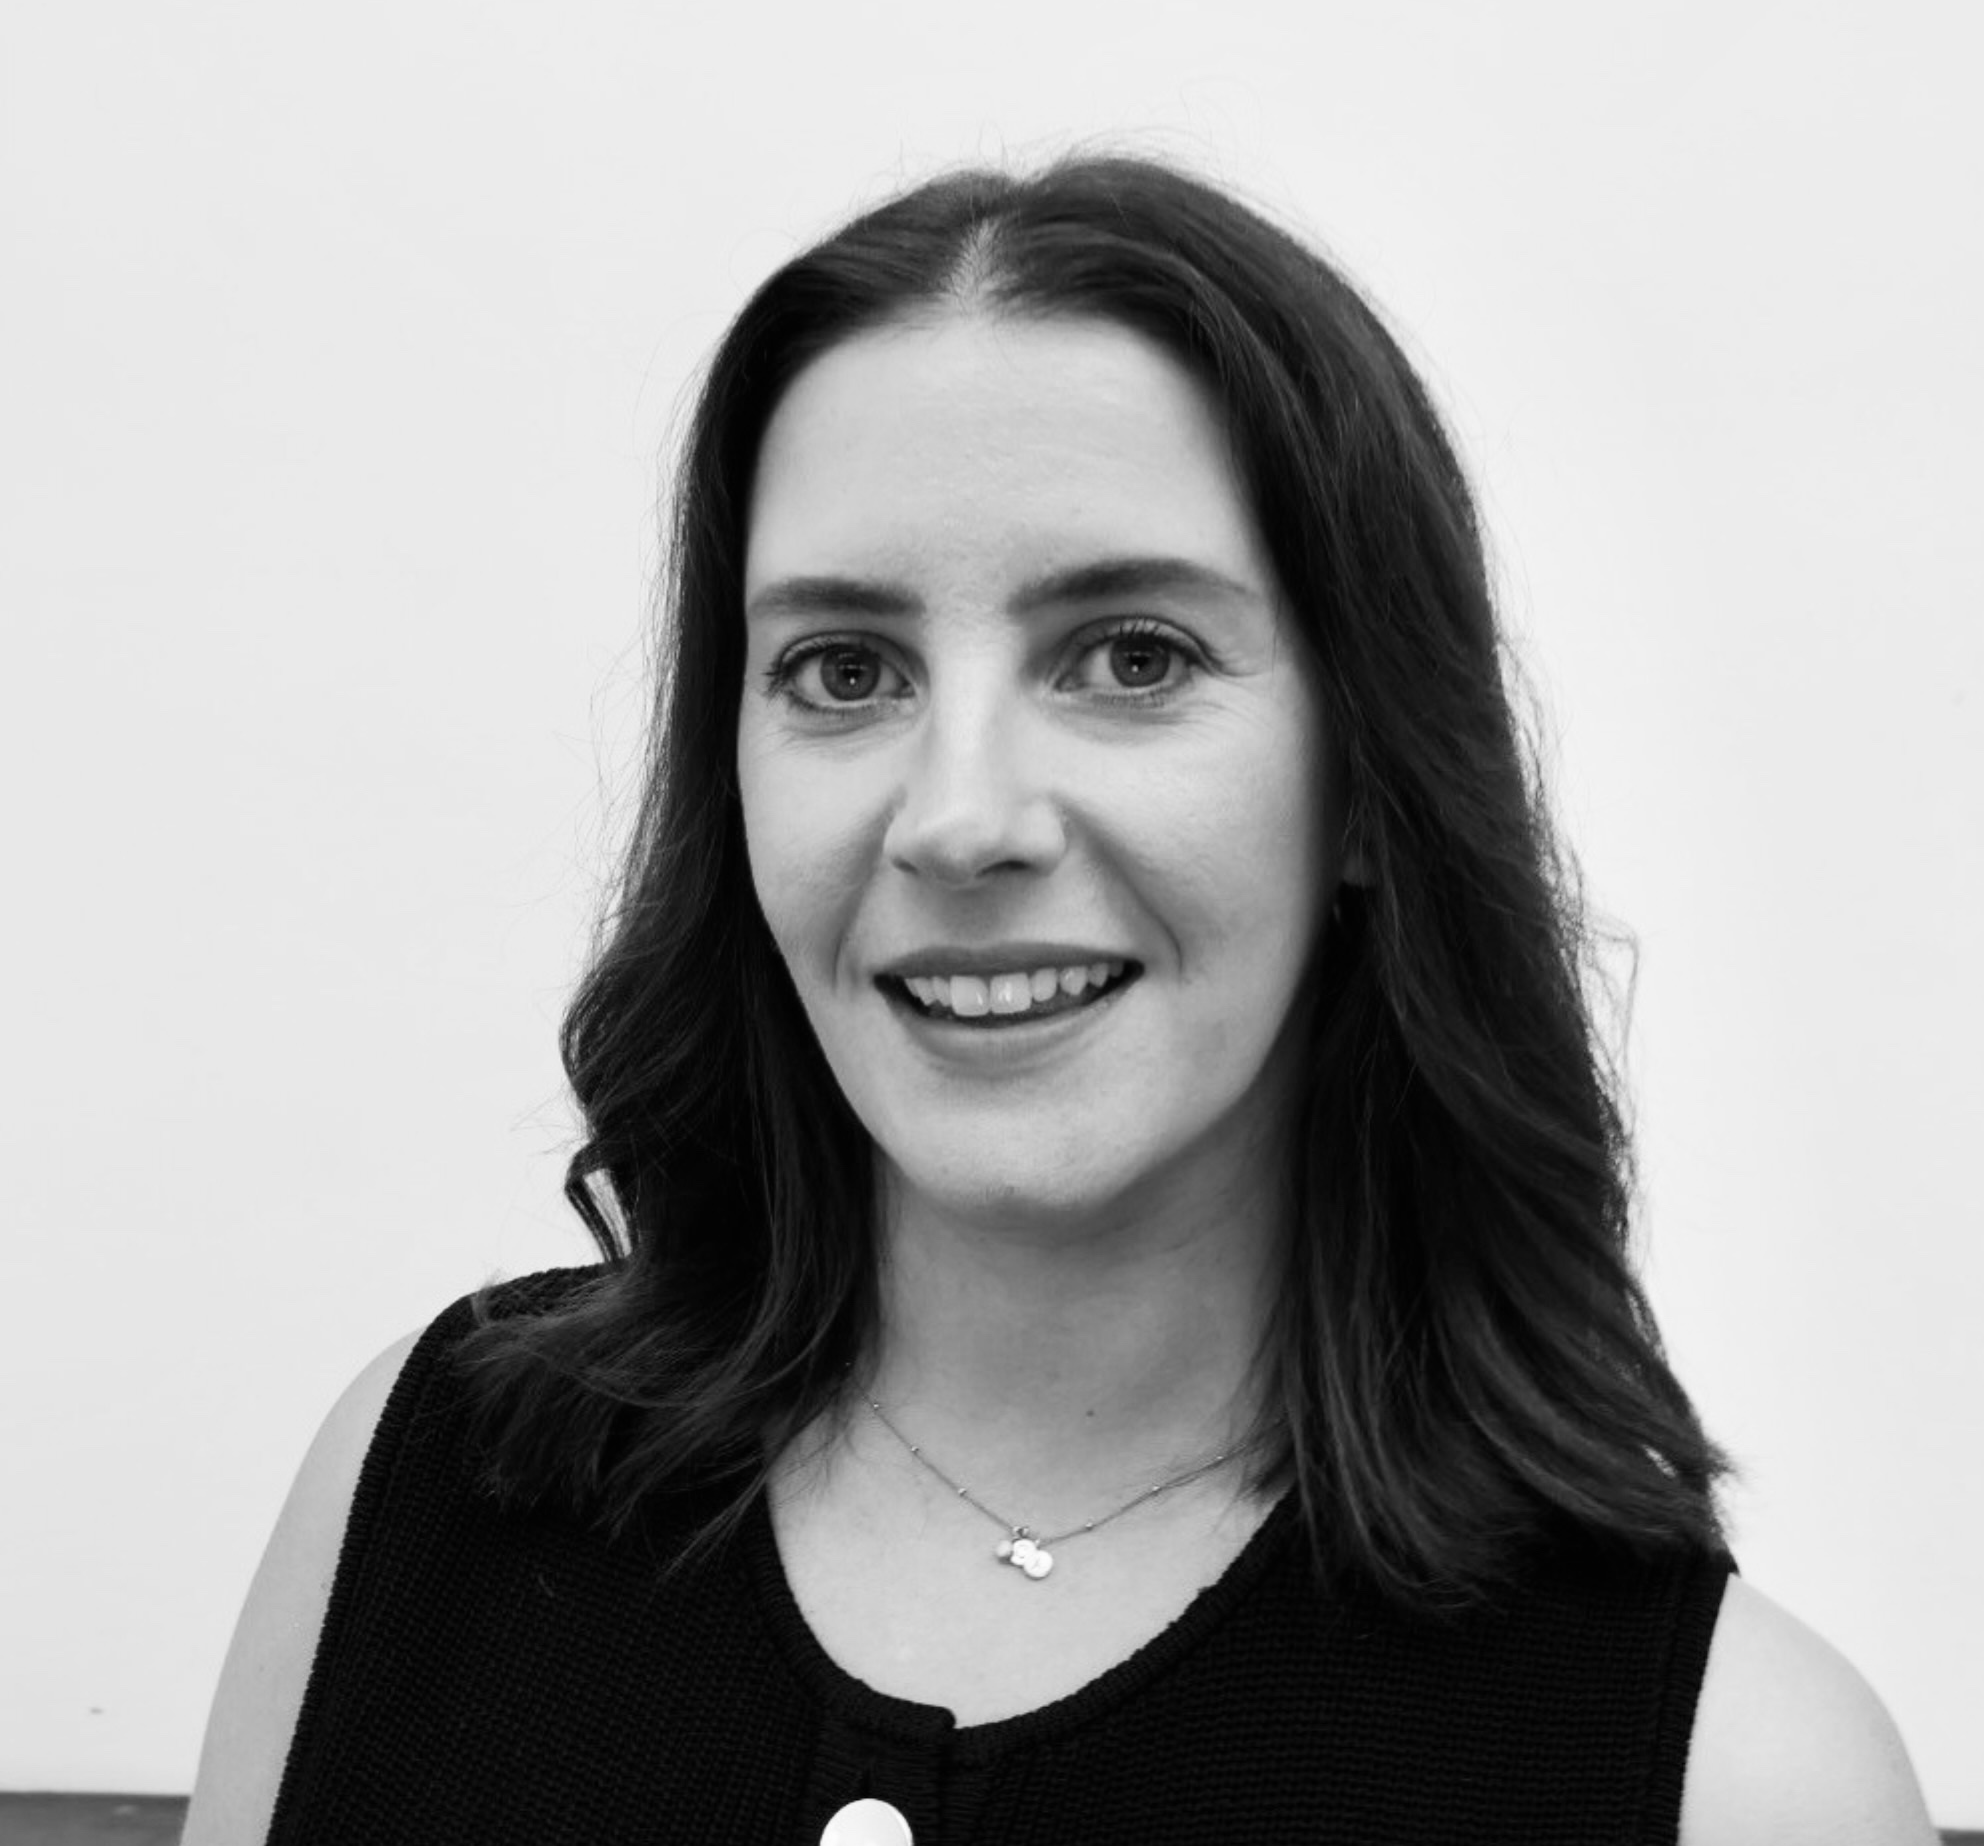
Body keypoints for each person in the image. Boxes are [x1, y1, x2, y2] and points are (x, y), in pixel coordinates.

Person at [183, 155, 1938, 1844]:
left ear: (1369, 779)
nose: (959, 816)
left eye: (1134, 657)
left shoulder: (1733, 1780)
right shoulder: (424, 1492)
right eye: (843, 668)